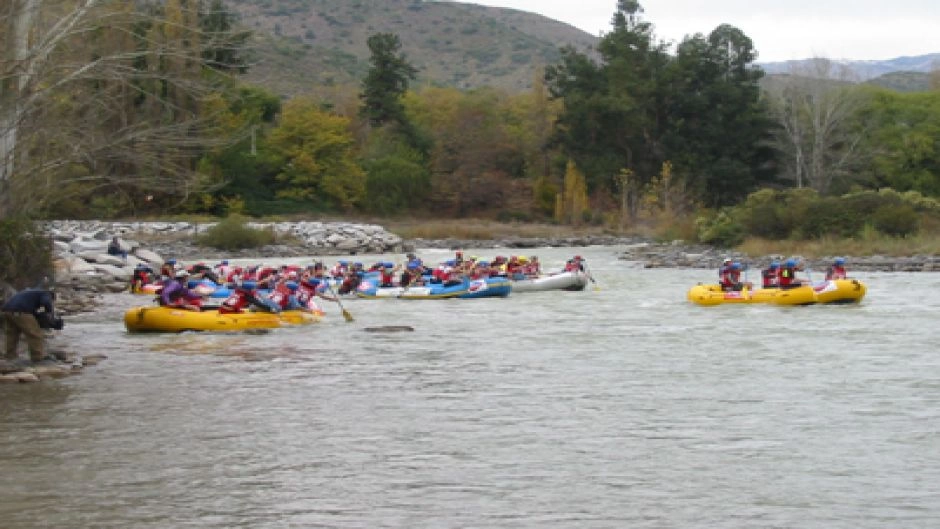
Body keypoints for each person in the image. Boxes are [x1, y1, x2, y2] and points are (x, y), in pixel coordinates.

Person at [2, 288, 60, 364]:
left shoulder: (30, 293)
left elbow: (30, 308)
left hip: (7, 311)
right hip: (21, 312)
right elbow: (46, 302)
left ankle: (10, 355)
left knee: (12, 335)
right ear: (51, 296)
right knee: (35, 334)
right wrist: (50, 313)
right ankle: (37, 357)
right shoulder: (45, 293)